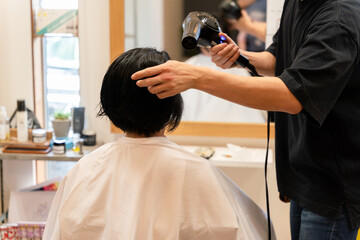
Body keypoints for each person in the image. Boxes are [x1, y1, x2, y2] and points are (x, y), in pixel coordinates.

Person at [131, 0, 360, 239]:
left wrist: (198, 77)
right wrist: (238, 57)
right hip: (304, 170)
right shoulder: (296, 3)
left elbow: (293, 95)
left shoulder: (339, 18)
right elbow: (278, 59)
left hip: (332, 183)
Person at [43, 47, 275, 240]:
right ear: (171, 108)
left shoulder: (85, 170)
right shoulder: (198, 172)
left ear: (110, 105)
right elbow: (257, 231)